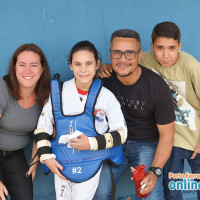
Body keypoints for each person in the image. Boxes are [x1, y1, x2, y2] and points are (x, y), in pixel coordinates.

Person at [34, 40, 127, 200]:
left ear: (97, 64)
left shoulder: (105, 96)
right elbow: (42, 128)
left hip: (90, 162)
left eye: (88, 63)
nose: (83, 70)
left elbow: (122, 133)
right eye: (78, 64)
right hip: (62, 162)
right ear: (70, 65)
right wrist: (46, 158)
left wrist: (91, 143)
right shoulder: (58, 93)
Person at [94, 29, 175, 200]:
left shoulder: (157, 87)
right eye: (117, 53)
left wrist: (154, 171)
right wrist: (96, 69)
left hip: (145, 143)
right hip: (113, 142)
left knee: (151, 195)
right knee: (99, 192)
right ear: (110, 54)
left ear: (140, 55)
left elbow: (167, 135)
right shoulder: (102, 80)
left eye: (129, 53)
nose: (123, 59)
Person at [140, 21, 200, 200]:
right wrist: (104, 68)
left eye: (172, 48)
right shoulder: (145, 60)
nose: (165, 55)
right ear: (151, 46)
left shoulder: (191, 66)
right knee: (172, 191)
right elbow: (124, 67)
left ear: (179, 46)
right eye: (160, 48)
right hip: (170, 138)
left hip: (195, 135)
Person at [0, 43, 50, 200]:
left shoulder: (45, 95)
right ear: (14, 68)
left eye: (33, 65)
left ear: (42, 69)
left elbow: (40, 131)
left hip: (14, 156)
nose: (27, 71)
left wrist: (34, 162)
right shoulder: (3, 89)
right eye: (22, 65)